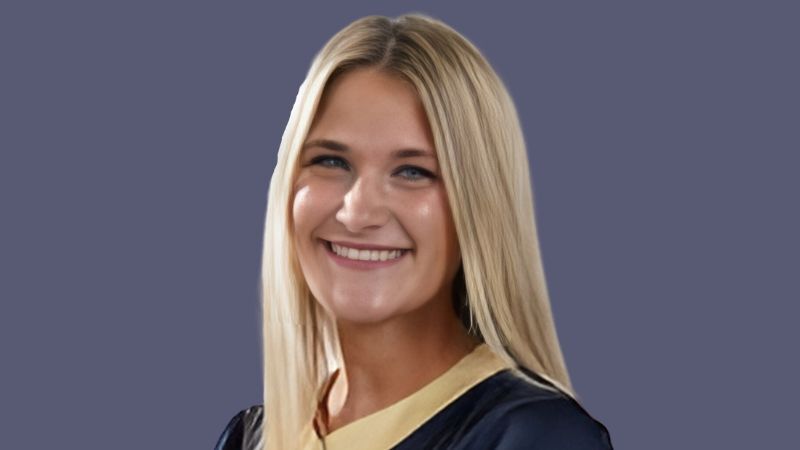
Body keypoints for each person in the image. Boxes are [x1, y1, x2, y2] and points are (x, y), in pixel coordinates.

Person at [215, 13, 613, 450]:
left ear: (479, 205)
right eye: (330, 161)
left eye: (412, 171)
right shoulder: (248, 438)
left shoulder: (537, 437)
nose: (357, 212)